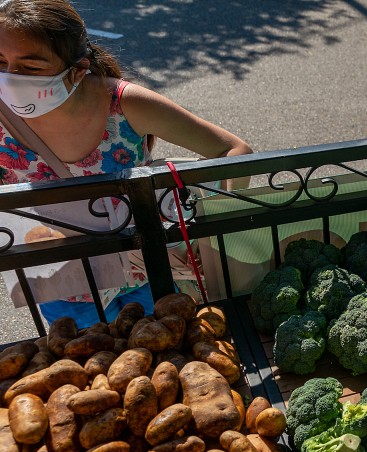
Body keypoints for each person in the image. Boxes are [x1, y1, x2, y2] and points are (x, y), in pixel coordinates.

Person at [0, 0, 252, 327]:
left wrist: (212, 235)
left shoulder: (124, 103)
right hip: (64, 285)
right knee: (88, 369)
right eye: (0, 61)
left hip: (147, 273)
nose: (9, 78)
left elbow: (233, 151)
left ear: (77, 71)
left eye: (31, 67)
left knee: (165, 356)